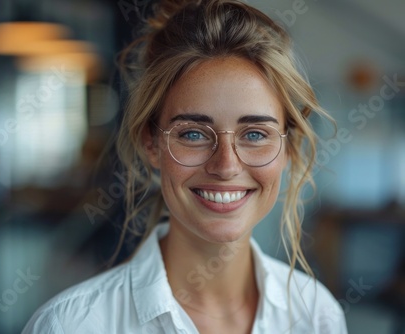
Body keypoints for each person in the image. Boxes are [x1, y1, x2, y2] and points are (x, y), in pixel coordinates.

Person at [22, 0, 347, 333]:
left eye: (254, 134)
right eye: (193, 134)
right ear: (151, 143)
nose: (226, 165)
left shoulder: (316, 316)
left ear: (288, 148)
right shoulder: (72, 325)